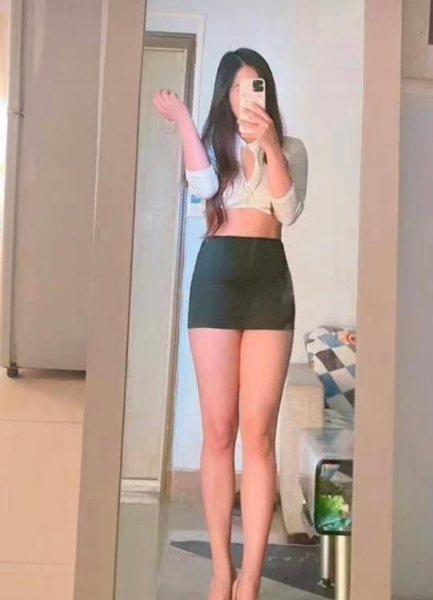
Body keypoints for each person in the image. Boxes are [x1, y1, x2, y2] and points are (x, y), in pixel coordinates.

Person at [153, 47, 308, 600]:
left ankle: (251, 580)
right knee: (219, 430)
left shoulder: (290, 147)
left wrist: (269, 145)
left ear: (267, 91)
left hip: (268, 278)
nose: (249, 95)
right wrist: (183, 119)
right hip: (217, 275)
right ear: (226, 94)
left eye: (257, 85)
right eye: (240, 87)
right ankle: (222, 571)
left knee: (258, 434)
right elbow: (200, 187)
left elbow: (288, 211)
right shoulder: (214, 144)